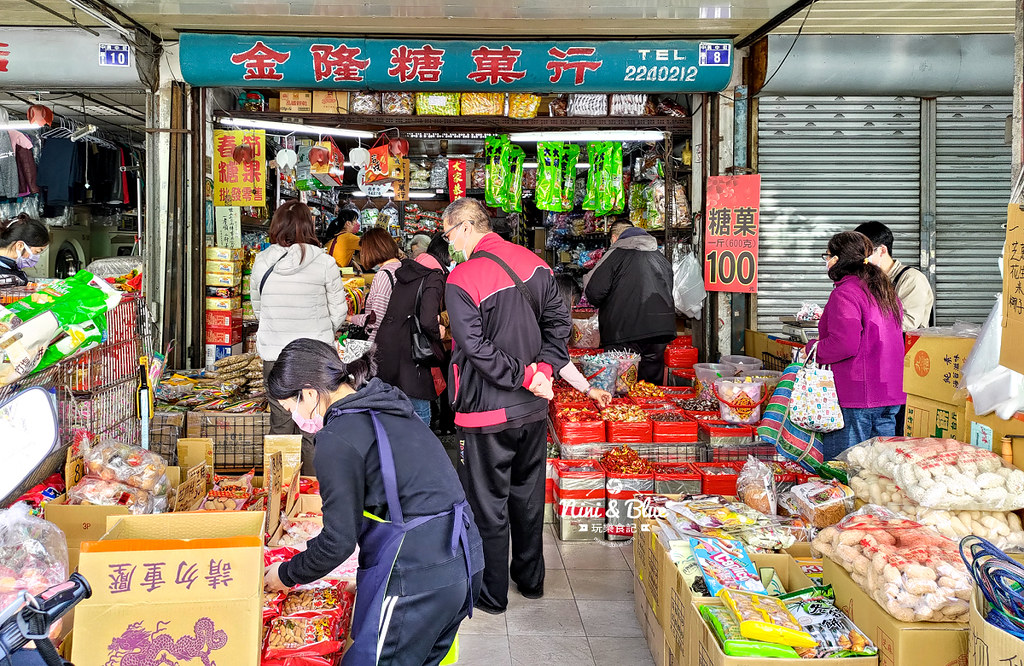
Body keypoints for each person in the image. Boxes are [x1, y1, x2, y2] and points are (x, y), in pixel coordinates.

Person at [263, 339, 484, 666]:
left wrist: (285, 573)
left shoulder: (337, 439)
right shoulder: (385, 404)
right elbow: (404, 500)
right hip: (463, 560)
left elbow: (337, 542)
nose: (295, 417)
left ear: (308, 394)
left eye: (291, 408)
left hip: (420, 577)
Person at [442, 197, 571, 614]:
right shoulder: (536, 264)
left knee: (487, 505)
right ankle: (531, 582)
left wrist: (523, 375)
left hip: (485, 413)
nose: (451, 246)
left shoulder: (462, 277)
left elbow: (473, 348)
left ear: (464, 227)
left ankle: (492, 595)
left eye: (449, 236)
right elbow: (560, 327)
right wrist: (542, 372)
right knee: (529, 499)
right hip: (533, 410)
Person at [252, 201, 348, 473]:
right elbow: (339, 310)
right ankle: (313, 493)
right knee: (314, 424)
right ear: (309, 226)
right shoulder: (325, 262)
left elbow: (258, 308)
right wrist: (321, 333)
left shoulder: (261, 262)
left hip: (275, 357)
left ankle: (280, 493)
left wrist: (277, 329)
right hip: (314, 359)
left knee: (281, 425)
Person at [814, 231, 906, 460]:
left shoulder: (846, 293)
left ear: (837, 259)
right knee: (878, 473)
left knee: (844, 469)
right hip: (890, 394)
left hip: (857, 396)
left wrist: (812, 349)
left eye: (827, 255)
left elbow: (844, 344)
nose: (826, 261)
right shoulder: (885, 290)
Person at [583, 220, 675, 384]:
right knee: (650, 388)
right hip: (659, 332)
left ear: (614, 238)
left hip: (623, 332)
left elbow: (594, 292)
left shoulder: (616, 253)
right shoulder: (660, 257)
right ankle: (652, 409)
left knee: (621, 387)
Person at [375, 254, 446, 426]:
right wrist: (439, 333)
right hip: (412, 349)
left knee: (394, 412)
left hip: (387, 346)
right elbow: (428, 320)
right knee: (420, 412)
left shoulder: (406, 273)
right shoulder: (434, 277)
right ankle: (420, 451)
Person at [854, 221, 934, 332]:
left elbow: (908, 323)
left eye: (862, 253)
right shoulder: (866, 279)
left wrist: (862, 322)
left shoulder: (911, 278)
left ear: (882, 250)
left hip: (904, 348)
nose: (859, 259)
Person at [554, 274, 613, 407]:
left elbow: (559, 357)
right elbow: (559, 357)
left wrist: (589, 390)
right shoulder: (554, 324)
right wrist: (588, 390)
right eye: (572, 304)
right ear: (567, 298)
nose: (571, 310)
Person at [347, 228, 401, 345]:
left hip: (379, 343)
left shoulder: (384, 274)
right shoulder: (399, 267)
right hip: (396, 339)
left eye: (363, 251)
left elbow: (375, 319)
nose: (362, 255)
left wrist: (350, 318)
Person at [0, 214, 50, 288]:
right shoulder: (4, 275)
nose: (36, 257)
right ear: (20, 245)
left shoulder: (10, 268)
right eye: (37, 252)